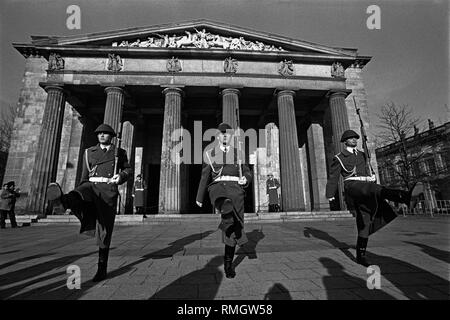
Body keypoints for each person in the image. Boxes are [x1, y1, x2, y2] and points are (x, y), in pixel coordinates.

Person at [46, 123, 131, 281]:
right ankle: (63, 202)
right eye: (99, 134)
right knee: (79, 193)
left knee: (104, 231)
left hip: (107, 190)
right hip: (91, 185)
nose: (101, 136)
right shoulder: (88, 152)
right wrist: (80, 186)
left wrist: (121, 176)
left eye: (105, 134)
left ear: (111, 136)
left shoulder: (119, 152)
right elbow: (85, 175)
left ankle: (102, 268)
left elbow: (128, 169)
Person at [326, 129, 416, 266]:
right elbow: (333, 177)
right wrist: (330, 194)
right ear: (345, 142)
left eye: (356, 138)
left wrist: (371, 175)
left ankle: (361, 255)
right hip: (352, 186)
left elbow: (367, 168)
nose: (355, 140)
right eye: (351, 138)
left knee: (364, 222)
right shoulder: (339, 157)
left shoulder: (363, 155)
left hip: (365, 186)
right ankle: (404, 196)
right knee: (373, 189)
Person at [196, 122, 252, 278]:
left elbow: (248, 172)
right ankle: (225, 209)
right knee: (224, 204)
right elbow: (204, 176)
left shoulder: (238, 153)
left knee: (233, 228)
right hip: (219, 188)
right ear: (218, 136)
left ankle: (228, 264)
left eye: (228, 133)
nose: (225, 135)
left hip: (236, 191)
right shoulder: (210, 153)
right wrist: (199, 197)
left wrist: (245, 180)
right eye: (222, 133)